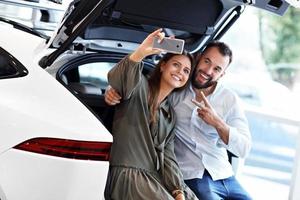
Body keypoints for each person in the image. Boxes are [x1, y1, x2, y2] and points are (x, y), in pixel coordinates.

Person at [105, 40, 252, 200]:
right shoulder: (162, 92)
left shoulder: (173, 110)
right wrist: (113, 89)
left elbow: (243, 149)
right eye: (207, 61)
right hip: (179, 175)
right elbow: (127, 81)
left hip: (222, 172)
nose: (208, 71)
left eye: (216, 69)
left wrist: (217, 122)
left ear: (222, 74)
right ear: (199, 58)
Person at [104, 29, 198, 200]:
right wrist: (141, 52)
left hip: (155, 177)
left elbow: (168, 157)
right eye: (176, 64)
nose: (180, 72)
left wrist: (178, 190)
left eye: (186, 70)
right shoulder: (140, 87)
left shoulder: (170, 115)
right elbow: (118, 79)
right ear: (162, 66)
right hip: (129, 175)